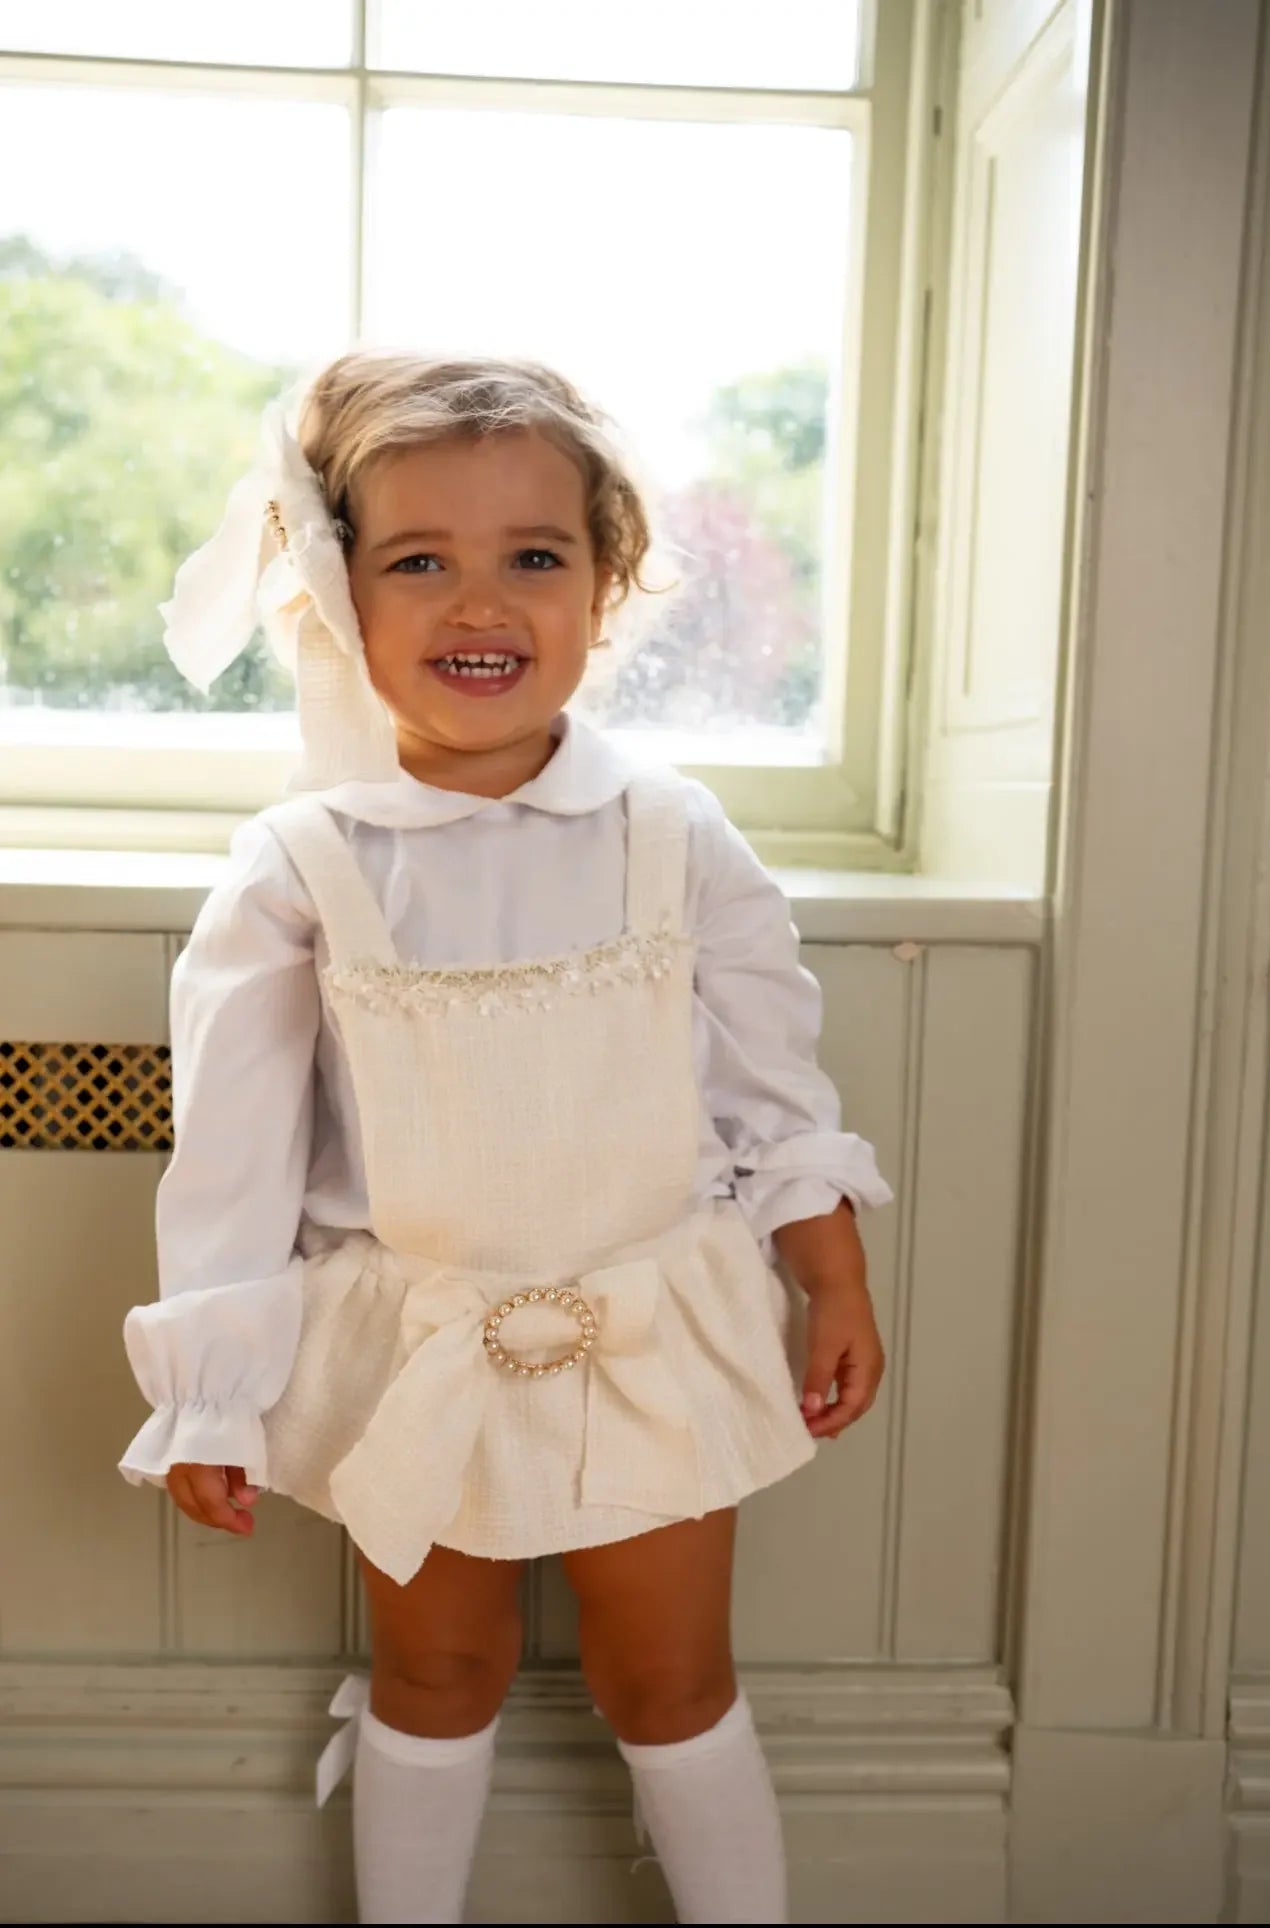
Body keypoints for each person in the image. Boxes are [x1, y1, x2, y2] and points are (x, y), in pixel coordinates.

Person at [117, 351, 892, 1926]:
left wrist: (832, 1279)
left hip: (652, 1326)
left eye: (532, 556)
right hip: (417, 1343)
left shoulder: (673, 835)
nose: (480, 603)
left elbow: (770, 1094)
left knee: (671, 1676)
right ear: (336, 594)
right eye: (420, 562)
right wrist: (212, 1396)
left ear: (604, 583)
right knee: (434, 1667)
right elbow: (235, 1157)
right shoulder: (301, 866)